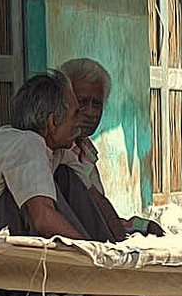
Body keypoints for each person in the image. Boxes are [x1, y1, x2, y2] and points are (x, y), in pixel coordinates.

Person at [0, 71, 142, 296]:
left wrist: (118, 256)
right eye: (74, 113)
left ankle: (110, 282)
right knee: (44, 201)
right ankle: (98, 290)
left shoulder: (55, 149)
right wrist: (91, 261)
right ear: (52, 122)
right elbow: (43, 218)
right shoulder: (27, 143)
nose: (80, 120)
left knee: (67, 179)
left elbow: (92, 198)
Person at [56, 58, 163, 238]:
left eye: (96, 104)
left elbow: (98, 217)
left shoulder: (87, 152)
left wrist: (139, 225)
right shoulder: (56, 152)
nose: (90, 112)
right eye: (82, 102)